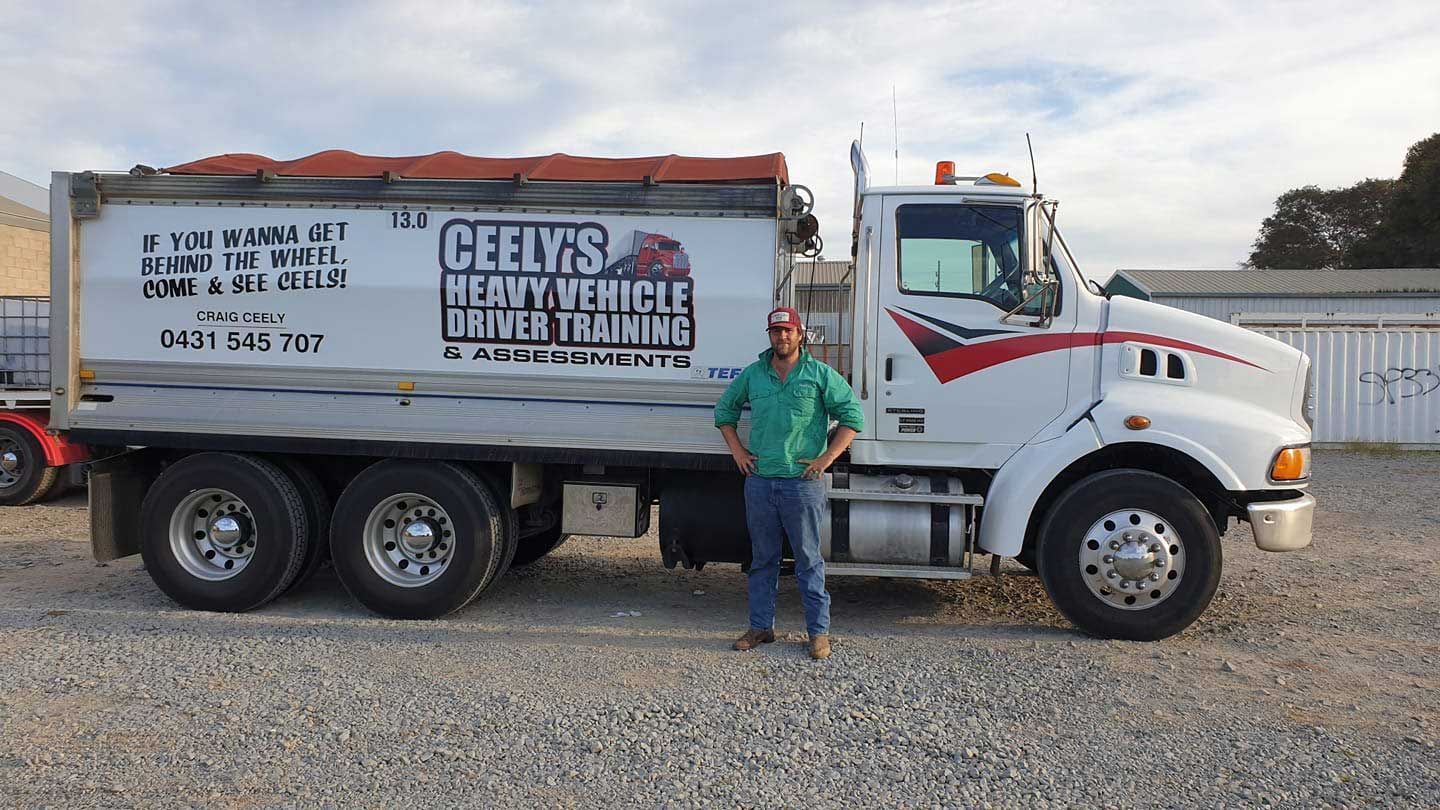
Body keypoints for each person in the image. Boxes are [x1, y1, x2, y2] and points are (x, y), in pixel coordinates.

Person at [713, 307, 864, 660]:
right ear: (770, 335)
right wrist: (738, 452)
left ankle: (817, 633)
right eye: (776, 331)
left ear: (800, 335)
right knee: (763, 560)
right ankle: (761, 627)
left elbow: (852, 417)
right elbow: (724, 413)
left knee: (808, 560)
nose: (782, 337)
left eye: (788, 331)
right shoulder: (754, 375)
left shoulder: (819, 375)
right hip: (761, 483)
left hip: (802, 484)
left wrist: (827, 458)